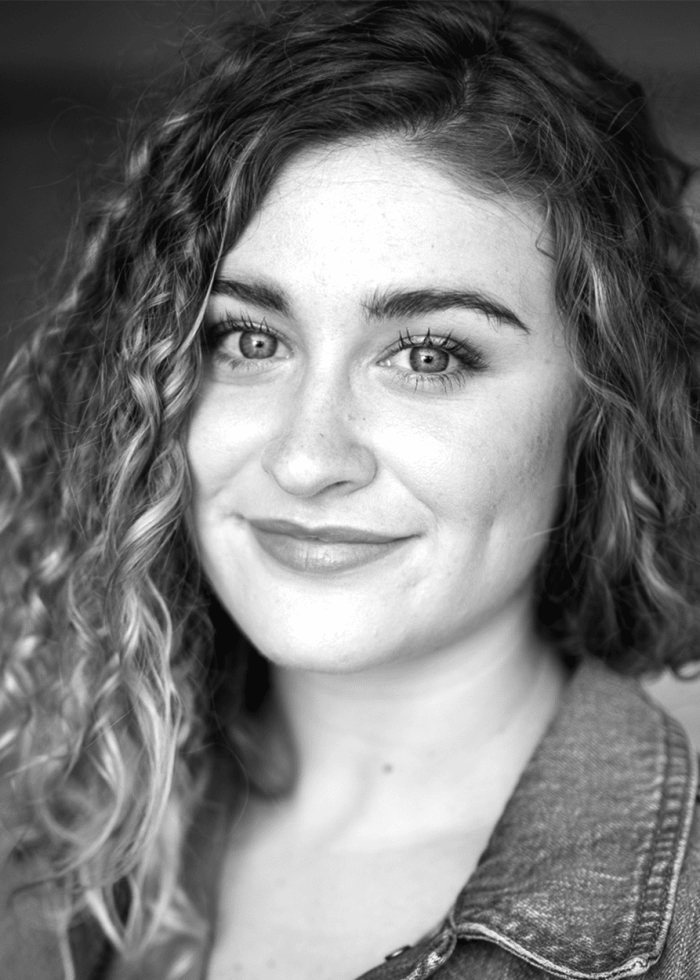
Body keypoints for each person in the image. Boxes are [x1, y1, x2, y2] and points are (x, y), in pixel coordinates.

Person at [1, 1, 700, 978]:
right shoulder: (37, 844)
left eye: (425, 353)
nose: (307, 454)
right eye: (248, 339)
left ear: (597, 402)